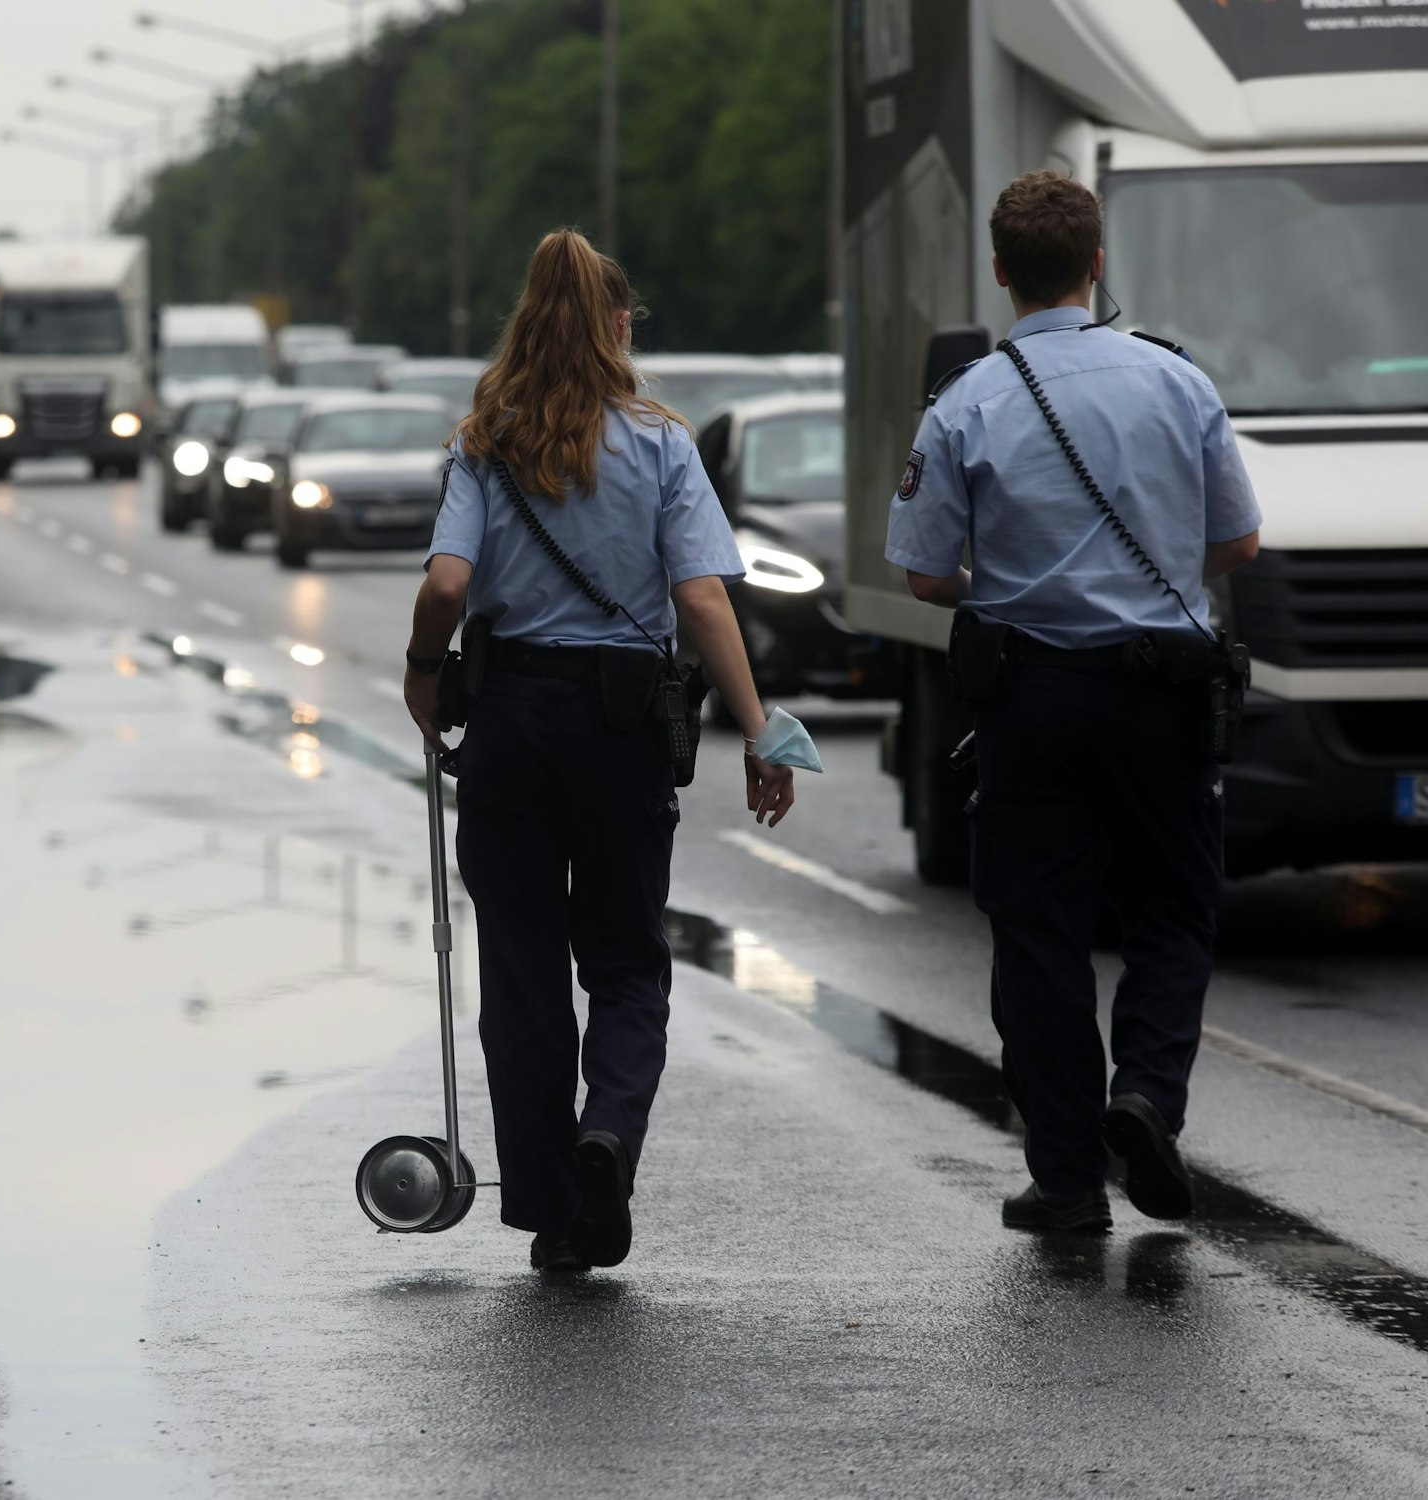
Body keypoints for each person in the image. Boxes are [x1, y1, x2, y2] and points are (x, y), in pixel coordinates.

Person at [401, 229, 806, 1275]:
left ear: (524, 323)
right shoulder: (662, 445)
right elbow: (703, 596)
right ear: (616, 326)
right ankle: (606, 1142)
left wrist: (420, 670)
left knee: (523, 976)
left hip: (511, 727)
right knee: (625, 963)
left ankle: (548, 1208)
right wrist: (760, 732)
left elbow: (447, 585)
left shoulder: (485, 444)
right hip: (623, 729)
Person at [885, 171, 1262, 1233]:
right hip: (1163, 693)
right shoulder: (1175, 383)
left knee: (1037, 934)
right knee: (1172, 910)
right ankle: (1143, 1094)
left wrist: (1000, 584)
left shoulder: (967, 398)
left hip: (1033, 695)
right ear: (1096, 263)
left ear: (1000, 271)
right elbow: (1236, 540)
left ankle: (1062, 1179)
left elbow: (919, 575)